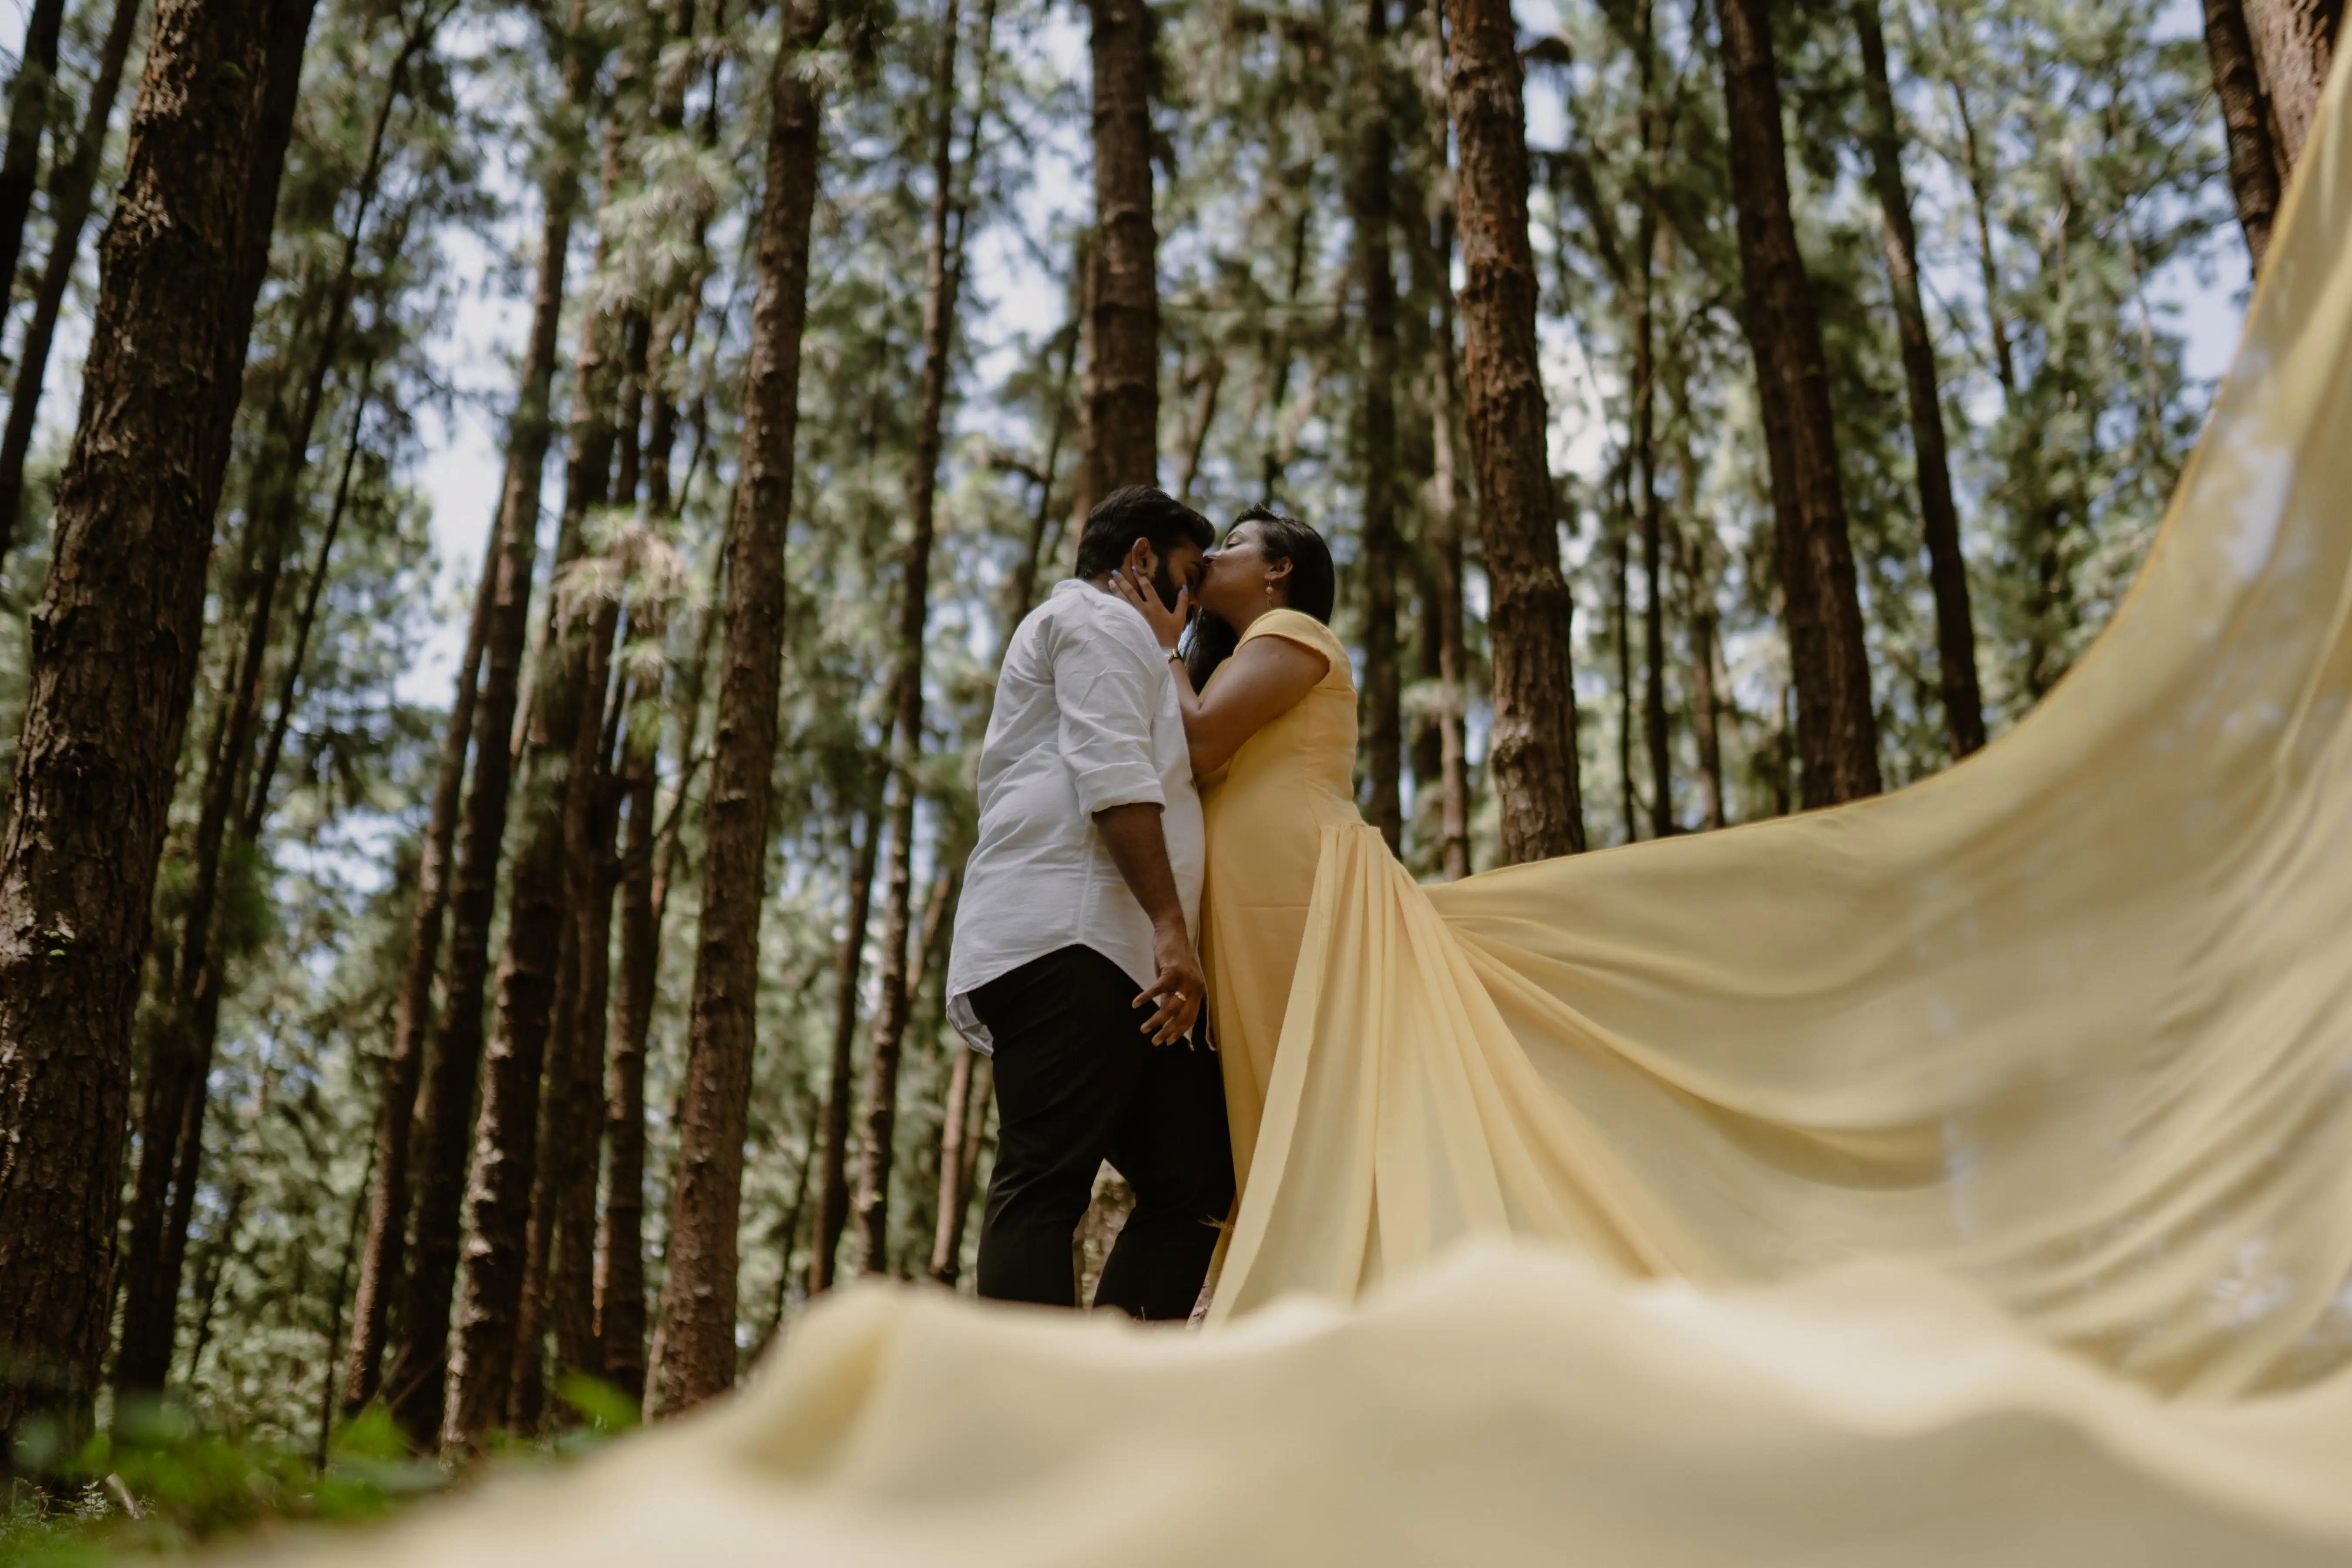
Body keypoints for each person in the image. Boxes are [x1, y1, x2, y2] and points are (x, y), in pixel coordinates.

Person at [944, 485, 1234, 1320]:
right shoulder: (1099, 622)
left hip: (1116, 953)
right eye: (1185, 580)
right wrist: (1173, 929)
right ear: (1137, 562)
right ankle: (1033, 1425)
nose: (1189, 609)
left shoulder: (1125, 644)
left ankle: (1113, 1393)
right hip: (1069, 940)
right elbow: (1111, 774)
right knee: (1044, 1178)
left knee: (1196, 1178)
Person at [1109, 504, 1342, 1195]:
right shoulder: (1234, 663)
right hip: (1247, 900)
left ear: (1280, 568)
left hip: (1296, 884)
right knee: (1260, 1086)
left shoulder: (1292, 630)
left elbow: (1204, 740)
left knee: (1297, 1075)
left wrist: (1164, 647)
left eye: (1235, 544)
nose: (1212, 556)